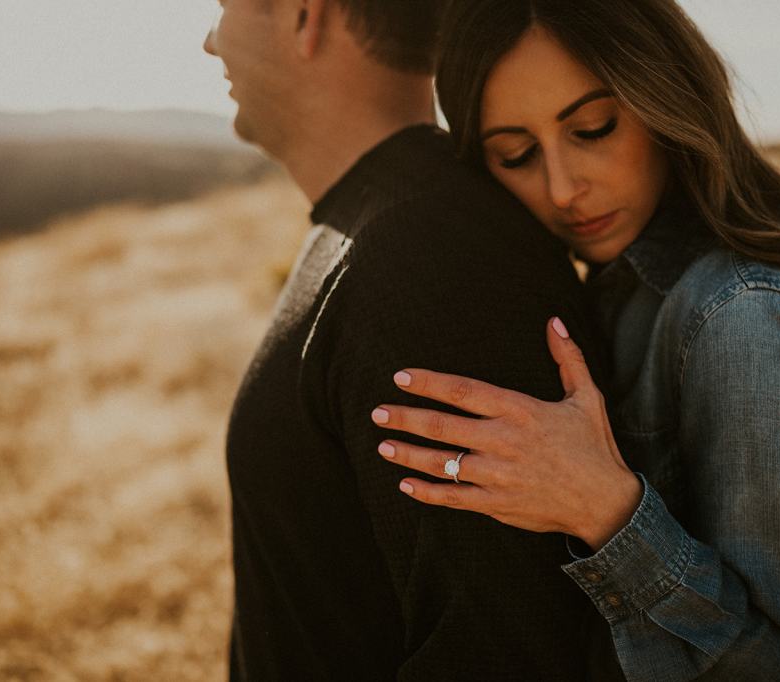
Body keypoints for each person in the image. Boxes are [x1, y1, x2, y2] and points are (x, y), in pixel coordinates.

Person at [371, 1, 780, 679]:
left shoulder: (751, 323)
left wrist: (608, 513)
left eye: (593, 128)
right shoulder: (619, 295)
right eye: (517, 154)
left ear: (666, 97)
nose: (564, 189)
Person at [204, 0, 624, 679]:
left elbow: (505, 651)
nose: (209, 40)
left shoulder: (429, 258)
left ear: (305, 14)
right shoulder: (388, 230)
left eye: (223, 6)